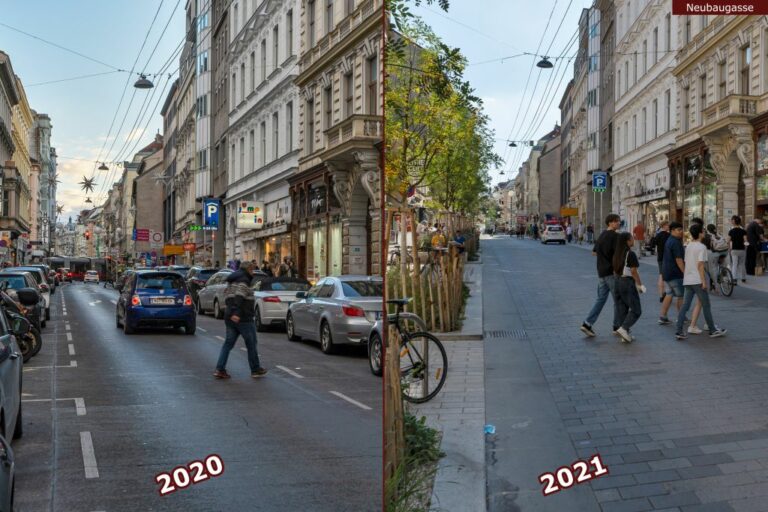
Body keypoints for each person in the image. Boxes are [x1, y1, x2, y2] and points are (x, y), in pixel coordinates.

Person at [213, 261, 268, 379]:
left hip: (229, 316)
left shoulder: (232, 281)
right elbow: (240, 296)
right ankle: (255, 369)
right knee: (251, 344)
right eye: (252, 269)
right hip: (243, 318)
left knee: (228, 344)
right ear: (248, 269)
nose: (253, 272)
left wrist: (230, 311)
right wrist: (237, 313)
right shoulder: (244, 280)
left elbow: (227, 297)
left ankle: (220, 369)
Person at [675, 224, 727, 340]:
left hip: (688, 279)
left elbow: (687, 262)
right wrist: (704, 282)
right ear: (699, 234)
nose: (704, 233)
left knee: (685, 305)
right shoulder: (702, 247)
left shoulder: (688, 246)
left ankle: (679, 330)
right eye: (703, 231)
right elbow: (700, 265)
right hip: (697, 280)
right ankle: (712, 330)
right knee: (706, 305)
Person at [580, 214, 621, 338]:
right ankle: (617, 326)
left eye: (618, 221)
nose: (619, 223)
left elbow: (594, 252)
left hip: (601, 272)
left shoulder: (602, 235)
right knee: (618, 300)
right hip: (611, 273)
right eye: (616, 221)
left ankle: (587, 324)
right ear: (610, 223)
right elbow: (617, 255)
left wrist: (603, 257)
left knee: (600, 300)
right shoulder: (616, 236)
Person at [613, 232, 645, 343]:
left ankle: (624, 334)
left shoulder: (617, 253)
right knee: (636, 310)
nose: (633, 240)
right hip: (627, 282)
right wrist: (640, 285)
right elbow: (633, 271)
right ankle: (623, 329)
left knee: (622, 309)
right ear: (627, 241)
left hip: (617, 281)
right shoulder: (630, 254)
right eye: (632, 238)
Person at [659, 222, 685, 325]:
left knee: (669, 294)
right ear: (672, 231)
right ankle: (680, 317)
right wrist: (685, 272)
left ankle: (663, 316)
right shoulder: (675, 242)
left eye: (681, 229)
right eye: (678, 229)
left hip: (667, 272)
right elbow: (679, 260)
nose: (681, 231)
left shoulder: (670, 240)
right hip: (675, 273)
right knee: (681, 295)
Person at [652, 221, 671, 302]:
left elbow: (652, 244)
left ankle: (661, 295)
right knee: (668, 276)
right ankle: (668, 293)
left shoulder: (658, 235)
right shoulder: (669, 236)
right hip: (668, 258)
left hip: (660, 257)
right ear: (664, 226)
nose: (668, 227)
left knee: (661, 275)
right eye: (667, 225)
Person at [728, 215, 748, 283]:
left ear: (733, 222)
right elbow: (745, 241)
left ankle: (734, 279)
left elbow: (728, 241)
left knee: (734, 264)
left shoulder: (731, 231)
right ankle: (743, 278)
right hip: (742, 250)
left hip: (734, 250)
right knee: (742, 264)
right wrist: (745, 248)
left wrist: (729, 248)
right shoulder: (743, 231)